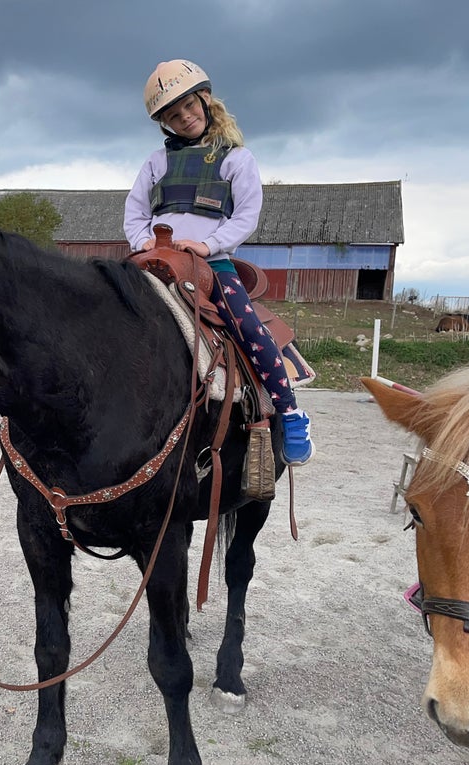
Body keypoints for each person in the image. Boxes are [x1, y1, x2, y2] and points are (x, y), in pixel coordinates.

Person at [124, 59, 314, 466]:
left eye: (189, 107)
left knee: (245, 324)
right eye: (173, 116)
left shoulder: (236, 159)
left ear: (205, 99)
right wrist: (141, 243)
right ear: (165, 124)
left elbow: (246, 214)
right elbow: (135, 210)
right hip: (156, 258)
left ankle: (290, 411)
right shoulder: (156, 162)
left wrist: (210, 245)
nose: (184, 118)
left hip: (210, 263)